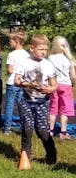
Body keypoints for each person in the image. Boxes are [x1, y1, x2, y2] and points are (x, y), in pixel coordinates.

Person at [15, 34, 57, 165]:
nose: (43, 52)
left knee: (42, 130)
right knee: (27, 128)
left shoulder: (48, 65)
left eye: (46, 50)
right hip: (26, 100)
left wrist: (51, 89)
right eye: (41, 49)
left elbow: (54, 84)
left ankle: (51, 154)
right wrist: (28, 84)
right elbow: (17, 80)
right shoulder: (24, 63)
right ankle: (26, 155)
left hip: (42, 101)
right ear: (32, 48)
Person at [48, 36, 76, 140]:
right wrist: (72, 84)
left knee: (53, 108)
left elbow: (48, 72)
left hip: (54, 85)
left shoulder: (51, 58)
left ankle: (50, 130)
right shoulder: (69, 59)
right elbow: (73, 76)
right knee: (65, 109)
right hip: (66, 85)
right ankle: (63, 132)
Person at [3, 30, 29, 135]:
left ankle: (7, 128)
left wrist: (7, 70)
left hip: (12, 83)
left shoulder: (11, 55)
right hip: (22, 83)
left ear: (16, 41)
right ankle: (24, 127)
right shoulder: (27, 55)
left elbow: (10, 70)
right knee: (22, 106)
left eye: (11, 41)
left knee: (9, 105)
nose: (10, 43)